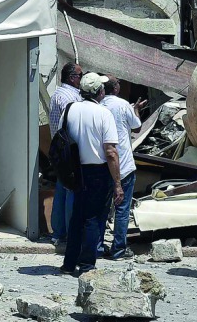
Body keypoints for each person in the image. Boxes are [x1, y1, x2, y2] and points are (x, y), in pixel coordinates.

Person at [61, 72, 123, 276]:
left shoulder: (69, 109)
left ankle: (69, 263)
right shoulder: (103, 113)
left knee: (77, 217)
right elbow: (111, 151)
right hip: (97, 171)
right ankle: (87, 264)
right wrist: (117, 183)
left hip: (75, 170)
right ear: (99, 92)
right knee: (94, 219)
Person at [99, 77, 147, 259]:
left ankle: (97, 246)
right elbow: (137, 127)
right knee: (122, 208)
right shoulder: (123, 105)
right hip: (123, 164)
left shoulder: (99, 106)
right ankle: (118, 248)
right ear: (117, 89)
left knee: (102, 207)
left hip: (103, 164)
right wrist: (135, 110)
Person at [48, 62, 83, 245]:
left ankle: (58, 232)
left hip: (58, 148)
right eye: (80, 75)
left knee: (61, 188)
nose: (81, 79)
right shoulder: (71, 97)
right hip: (70, 149)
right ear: (72, 77)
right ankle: (71, 232)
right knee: (72, 190)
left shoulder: (57, 94)